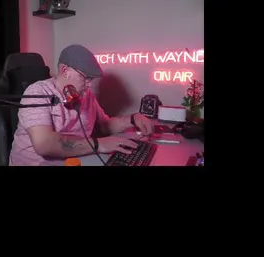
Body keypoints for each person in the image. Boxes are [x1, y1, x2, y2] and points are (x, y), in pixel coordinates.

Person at [8, 44, 157, 166]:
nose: (90, 85)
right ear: (65, 71)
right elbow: (44, 144)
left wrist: (133, 119)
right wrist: (99, 144)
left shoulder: (86, 95)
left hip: (77, 161)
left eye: (92, 80)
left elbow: (104, 126)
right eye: (86, 78)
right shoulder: (38, 92)